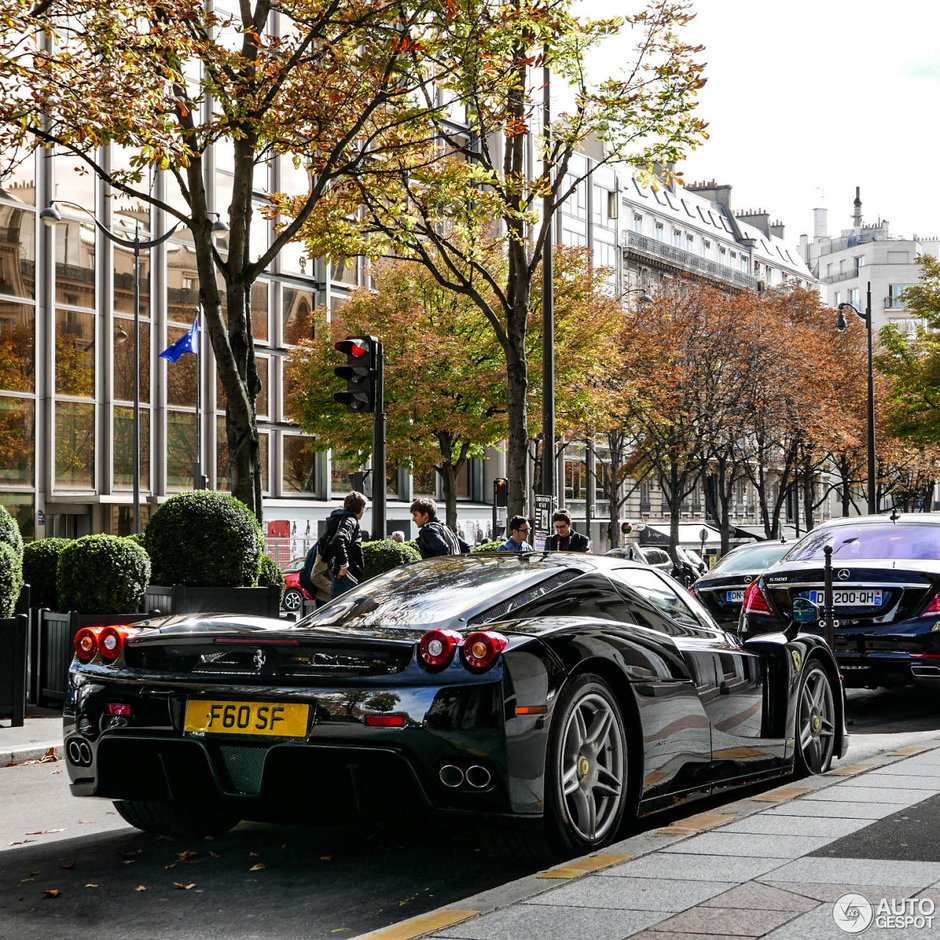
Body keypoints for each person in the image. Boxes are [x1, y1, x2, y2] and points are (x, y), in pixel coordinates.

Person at [321, 491, 368, 597]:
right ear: (360, 508)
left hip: (342, 575)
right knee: (345, 610)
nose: (364, 511)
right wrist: (344, 565)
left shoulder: (342, 519)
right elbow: (338, 539)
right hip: (347, 576)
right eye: (364, 508)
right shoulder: (351, 521)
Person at [299, 540, 331, 607]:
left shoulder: (318, 546)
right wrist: (335, 590)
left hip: (321, 596)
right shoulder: (325, 548)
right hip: (326, 598)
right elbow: (316, 576)